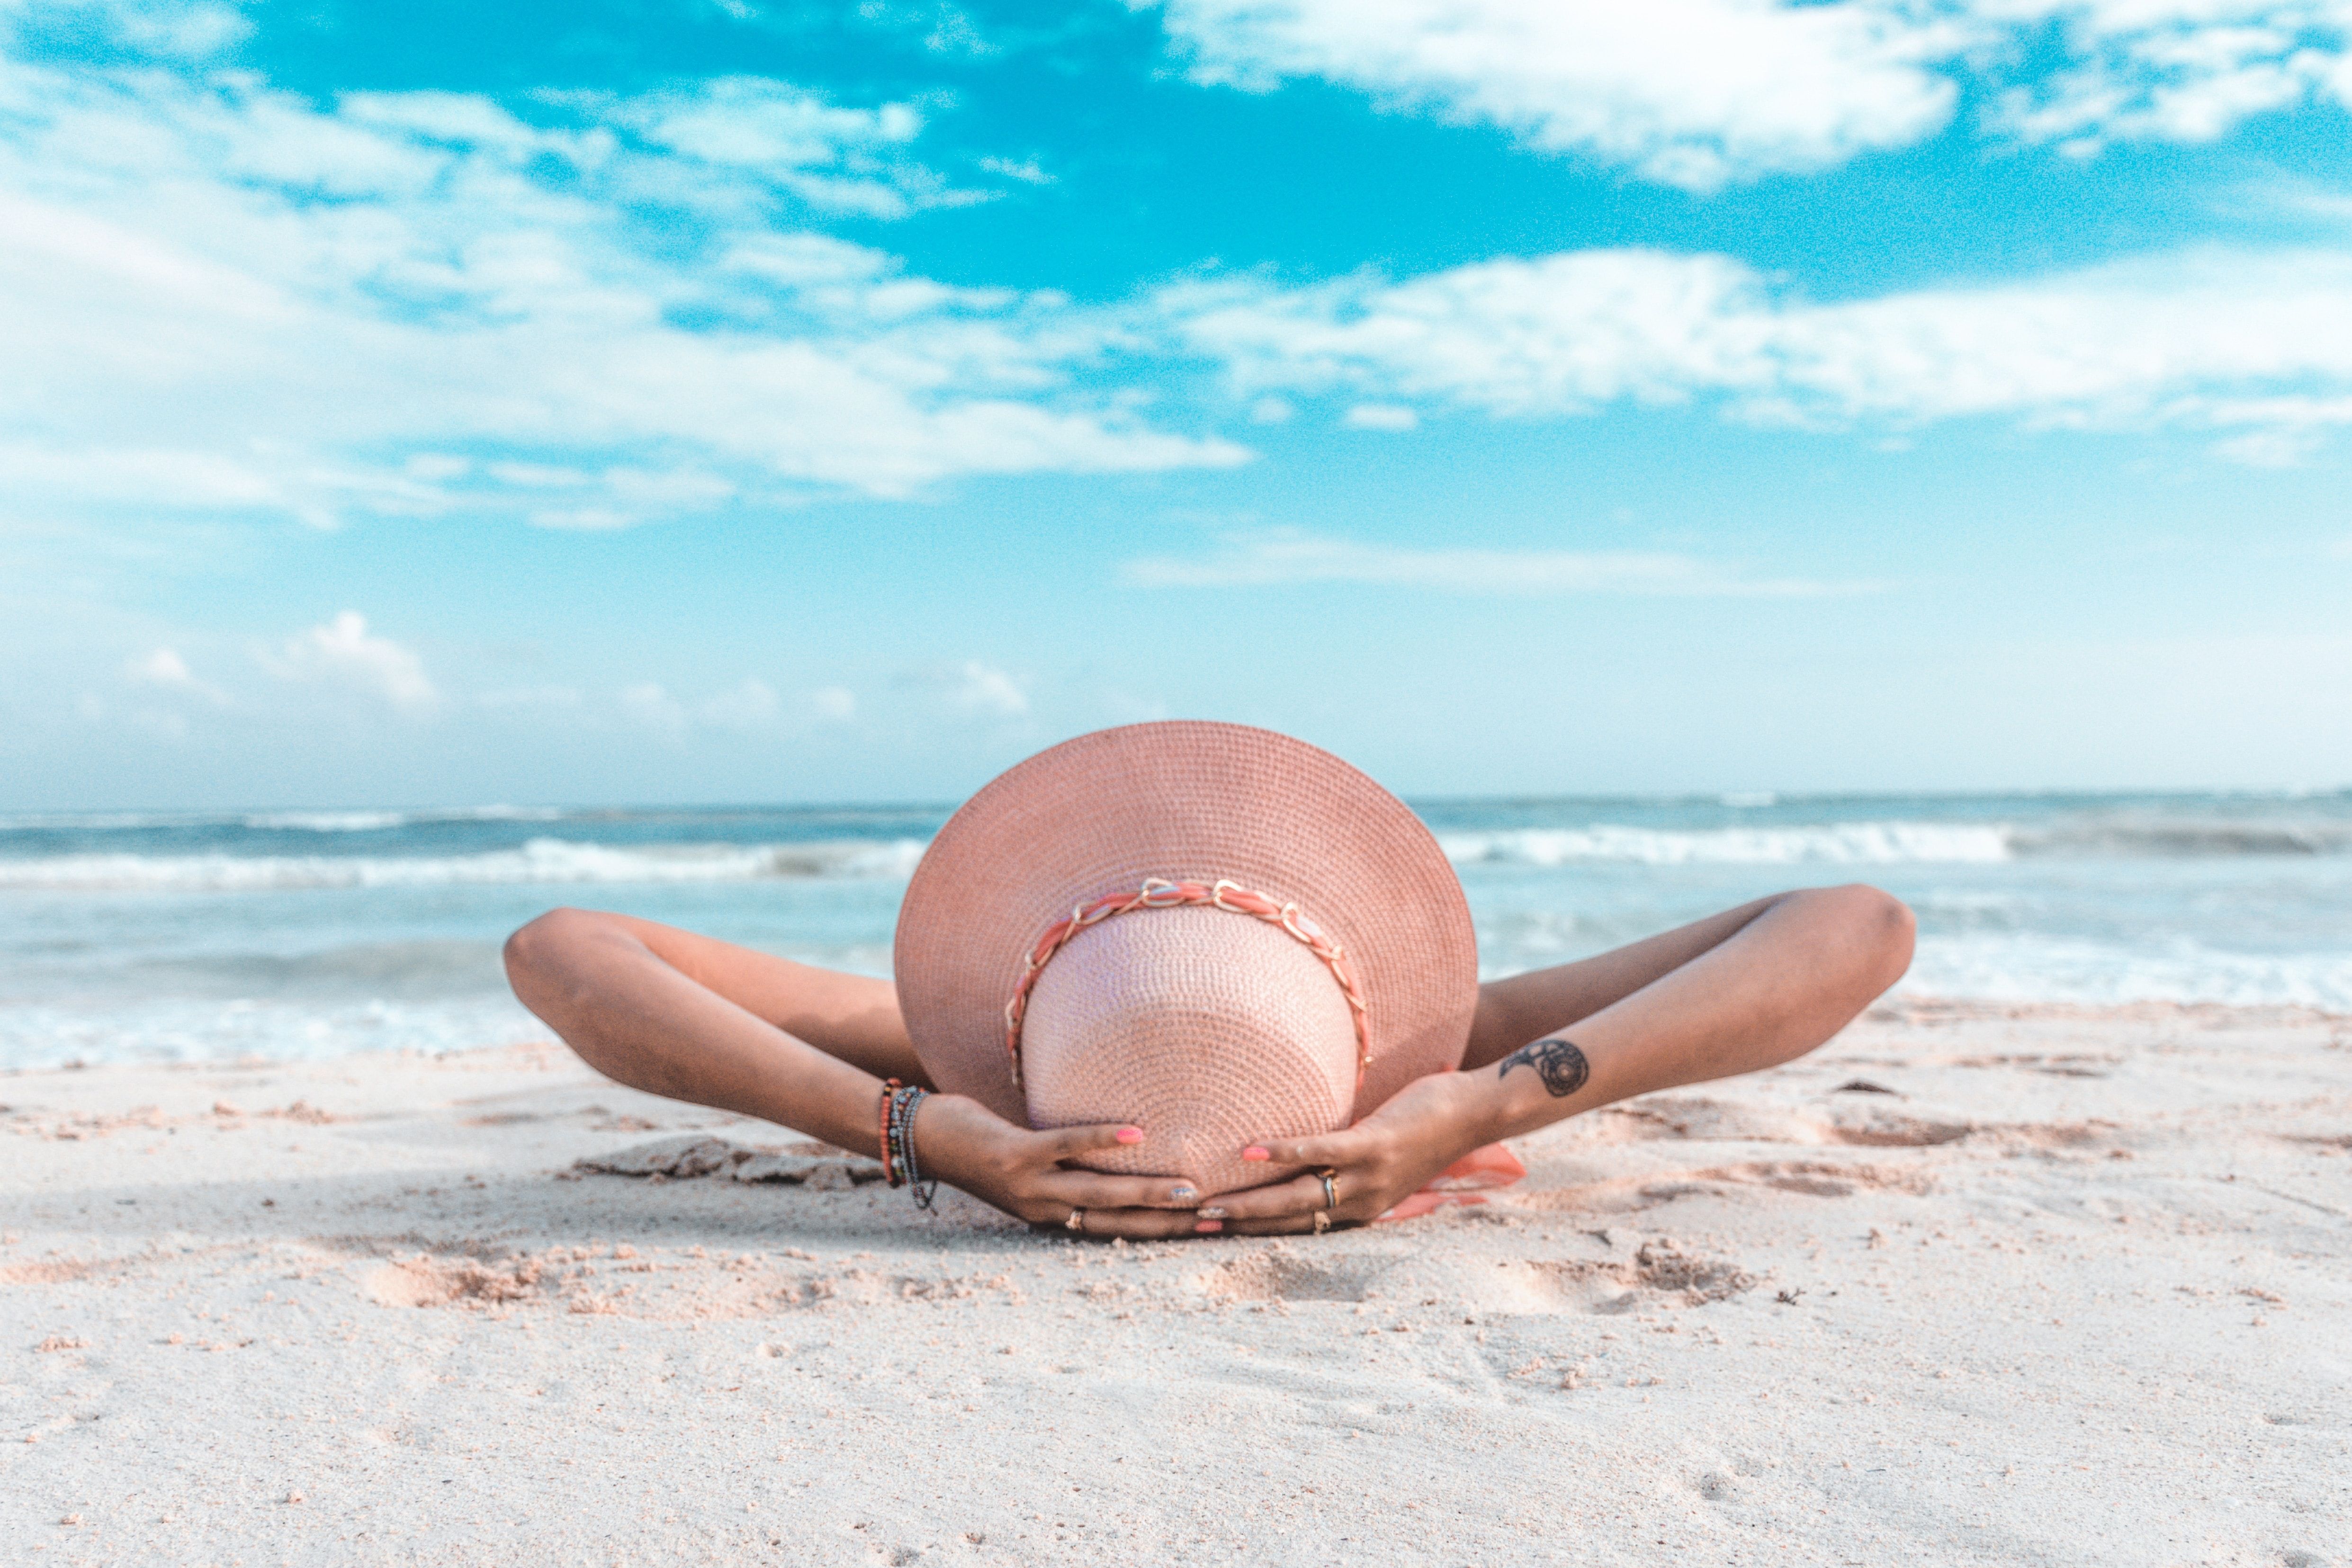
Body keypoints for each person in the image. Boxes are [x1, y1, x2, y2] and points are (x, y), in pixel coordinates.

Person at [505, 722, 1913, 1239]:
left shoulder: (967, 1062)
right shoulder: (1436, 1049)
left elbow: (1858, 925)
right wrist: (1472, 1106)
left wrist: (921, 1126)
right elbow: (560, 952)